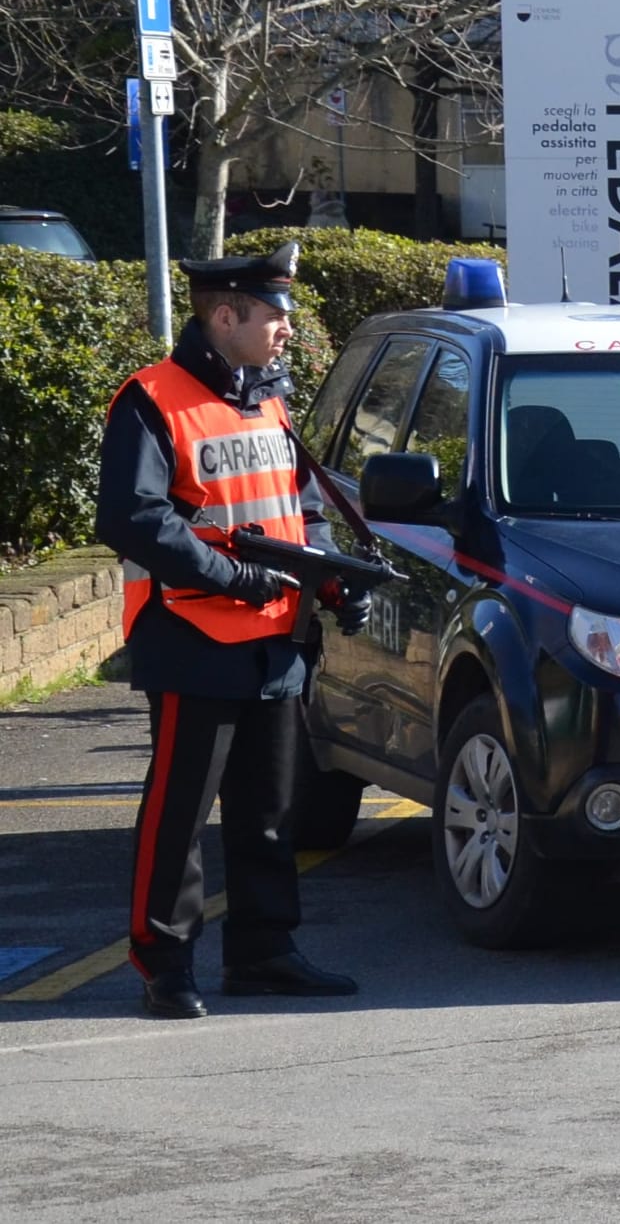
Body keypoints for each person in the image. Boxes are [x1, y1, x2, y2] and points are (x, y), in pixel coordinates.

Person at [96, 242, 368, 1019]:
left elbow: (291, 513)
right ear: (226, 315)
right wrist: (235, 580)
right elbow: (131, 518)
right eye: (276, 316)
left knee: (270, 810)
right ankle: (164, 964)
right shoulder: (151, 399)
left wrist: (332, 578)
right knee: (178, 812)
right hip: (192, 633)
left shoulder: (268, 400)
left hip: (275, 636)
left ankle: (264, 954)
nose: (288, 330)